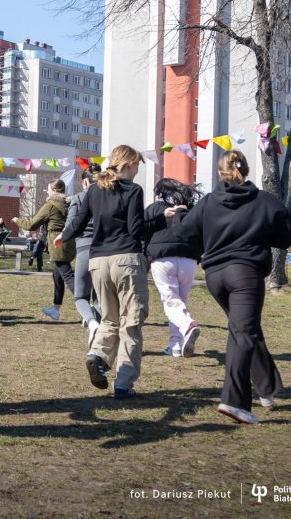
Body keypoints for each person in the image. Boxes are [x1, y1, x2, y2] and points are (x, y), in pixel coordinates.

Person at [178, 151, 291, 424]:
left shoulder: (208, 202)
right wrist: (266, 235)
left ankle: (267, 388)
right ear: (245, 170)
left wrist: (180, 218)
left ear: (220, 172)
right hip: (245, 274)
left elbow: (184, 231)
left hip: (215, 276)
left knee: (246, 328)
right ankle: (234, 402)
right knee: (242, 333)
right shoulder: (264, 201)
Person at [57, 145, 179, 399]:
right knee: (131, 322)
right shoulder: (133, 190)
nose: (137, 171)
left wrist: (63, 236)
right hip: (127, 261)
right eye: (136, 165)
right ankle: (124, 383)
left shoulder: (93, 190)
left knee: (110, 319)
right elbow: (136, 230)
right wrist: (161, 219)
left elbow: (78, 222)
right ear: (126, 164)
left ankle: (98, 356)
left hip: (98, 261)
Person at [144, 178, 204, 358]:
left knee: (171, 301)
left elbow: (142, 231)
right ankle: (175, 345)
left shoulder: (155, 209)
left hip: (162, 258)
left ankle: (187, 326)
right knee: (179, 303)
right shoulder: (191, 210)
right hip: (188, 259)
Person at [14, 179, 76, 321]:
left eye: (48, 189)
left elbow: (31, 225)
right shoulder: (70, 203)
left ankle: (88, 306)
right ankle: (55, 310)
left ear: (54, 190)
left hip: (57, 243)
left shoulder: (50, 205)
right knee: (57, 276)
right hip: (69, 241)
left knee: (67, 276)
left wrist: (16, 220)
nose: (47, 191)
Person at [60, 163, 104, 346]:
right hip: (104, 250)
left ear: (85, 182)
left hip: (84, 248)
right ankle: (102, 333)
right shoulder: (108, 197)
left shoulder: (78, 198)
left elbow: (71, 225)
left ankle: (92, 323)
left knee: (80, 296)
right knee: (100, 297)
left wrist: (63, 239)